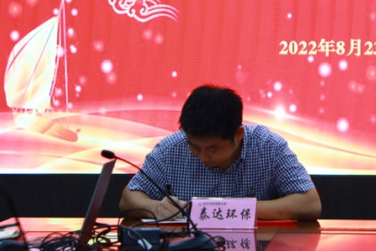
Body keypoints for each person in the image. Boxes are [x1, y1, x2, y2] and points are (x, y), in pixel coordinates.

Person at [120, 85, 322, 221]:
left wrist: (231, 210)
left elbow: (309, 203)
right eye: (194, 147)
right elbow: (129, 199)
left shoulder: (268, 146)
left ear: (238, 134)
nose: (202, 157)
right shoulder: (171, 148)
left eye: (212, 149)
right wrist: (156, 209)